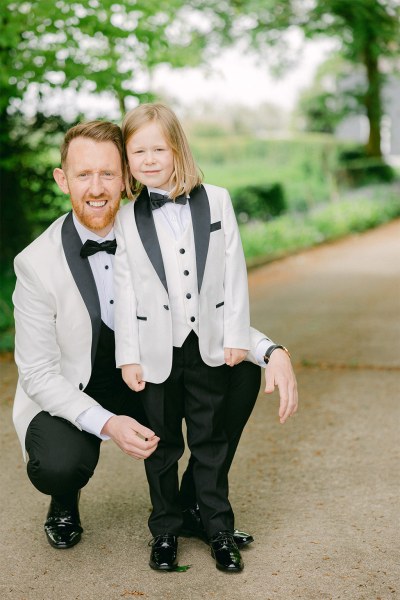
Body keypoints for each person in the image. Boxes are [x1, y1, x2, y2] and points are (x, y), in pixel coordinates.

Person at [12, 119, 298, 556]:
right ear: (61, 179)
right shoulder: (35, 263)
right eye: (82, 174)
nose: (95, 187)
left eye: (107, 173)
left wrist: (269, 349)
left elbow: (200, 305)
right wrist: (107, 422)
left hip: (149, 374)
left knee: (237, 372)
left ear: (125, 178)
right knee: (59, 464)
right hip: (79, 387)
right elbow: (37, 373)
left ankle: (195, 505)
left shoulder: (153, 226)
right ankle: (64, 500)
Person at [113, 103, 297, 573]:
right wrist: (127, 356)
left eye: (159, 148)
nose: (150, 159)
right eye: (139, 151)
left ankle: (218, 529)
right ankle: (166, 532)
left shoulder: (216, 200)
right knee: (161, 447)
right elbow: (125, 289)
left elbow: (233, 274)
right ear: (127, 159)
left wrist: (237, 335)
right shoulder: (127, 216)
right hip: (155, 351)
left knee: (209, 442)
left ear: (177, 148)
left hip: (208, 345)